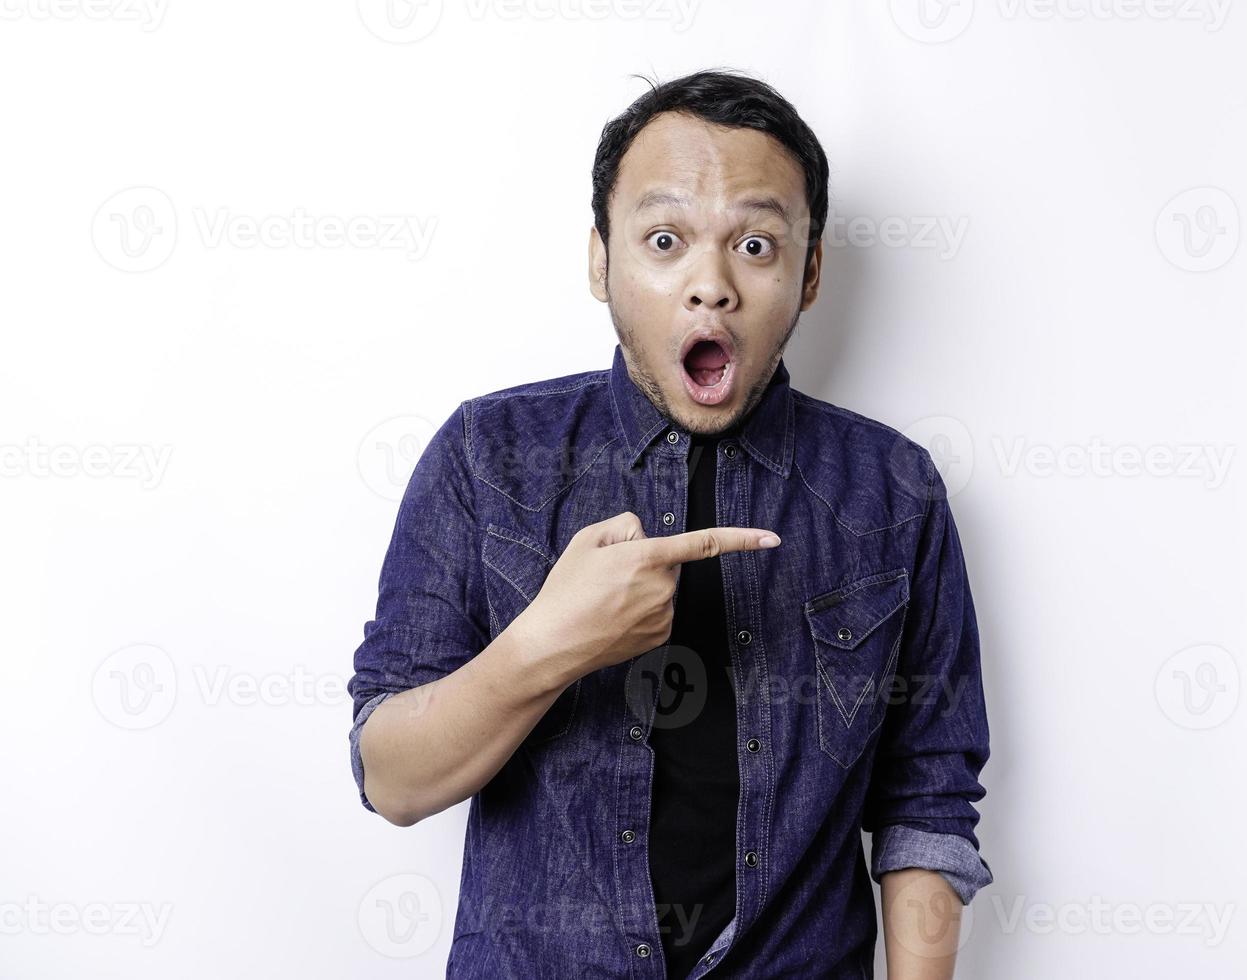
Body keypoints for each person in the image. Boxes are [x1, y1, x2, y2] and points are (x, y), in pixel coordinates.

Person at [348, 67, 993, 979]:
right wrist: (548, 645)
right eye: (664, 238)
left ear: (810, 274)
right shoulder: (484, 457)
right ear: (600, 260)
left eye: (757, 246)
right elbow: (393, 779)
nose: (711, 286)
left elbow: (926, 797)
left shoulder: (894, 489)